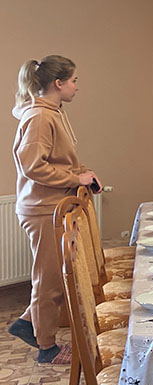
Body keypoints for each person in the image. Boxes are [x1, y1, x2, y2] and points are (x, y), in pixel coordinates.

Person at [10, 56, 98, 363]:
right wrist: (74, 178)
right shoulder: (39, 117)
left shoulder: (55, 113)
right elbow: (33, 165)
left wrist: (85, 175)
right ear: (57, 84)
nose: (76, 86)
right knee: (49, 280)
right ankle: (46, 347)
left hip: (53, 206)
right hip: (42, 209)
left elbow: (64, 160)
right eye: (73, 80)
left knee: (57, 277)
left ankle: (26, 323)